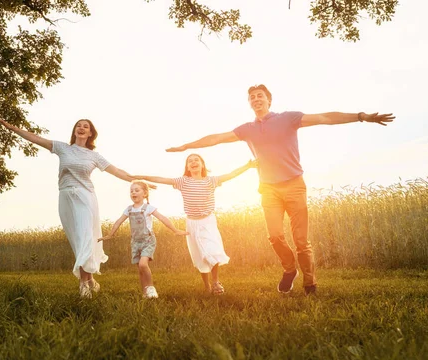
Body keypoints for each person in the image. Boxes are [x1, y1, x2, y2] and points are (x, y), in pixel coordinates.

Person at [166, 84, 396, 296]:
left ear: (269, 100)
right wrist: (187, 146)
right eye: (252, 97)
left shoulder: (289, 118)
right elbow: (217, 138)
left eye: (260, 96)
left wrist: (361, 117)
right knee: (275, 236)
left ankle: (309, 281)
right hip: (268, 189)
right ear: (250, 103)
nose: (256, 99)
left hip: (294, 185)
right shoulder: (247, 129)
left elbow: (325, 117)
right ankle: (289, 269)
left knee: (301, 240)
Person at [0, 117, 144, 299]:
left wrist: (137, 179)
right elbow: (35, 138)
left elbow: (117, 171)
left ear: (90, 133)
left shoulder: (94, 156)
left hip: (85, 197)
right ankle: (89, 279)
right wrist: (12, 128)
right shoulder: (62, 148)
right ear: (74, 131)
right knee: (78, 241)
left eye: (86, 126)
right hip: (65, 196)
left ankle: (83, 284)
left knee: (85, 237)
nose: (81, 128)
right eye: (78, 126)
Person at [135, 154, 257, 295]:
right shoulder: (183, 182)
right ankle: (207, 286)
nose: (193, 162)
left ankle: (216, 281)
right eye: (190, 161)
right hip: (192, 223)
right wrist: (142, 177)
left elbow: (230, 175)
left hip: (208, 221)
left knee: (212, 250)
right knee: (199, 255)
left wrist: (247, 166)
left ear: (202, 165)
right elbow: (161, 179)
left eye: (196, 160)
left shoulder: (211, 181)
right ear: (187, 167)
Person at [98, 180, 188, 299]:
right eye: (131, 191)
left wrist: (175, 230)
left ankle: (150, 287)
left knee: (143, 264)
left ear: (144, 194)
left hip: (148, 241)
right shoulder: (129, 209)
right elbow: (118, 222)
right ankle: (145, 291)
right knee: (140, 269)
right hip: (135, 242)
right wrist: (110, 235)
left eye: (137, 190)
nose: (133, 193)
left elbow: (163, 218)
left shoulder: (148, 208)